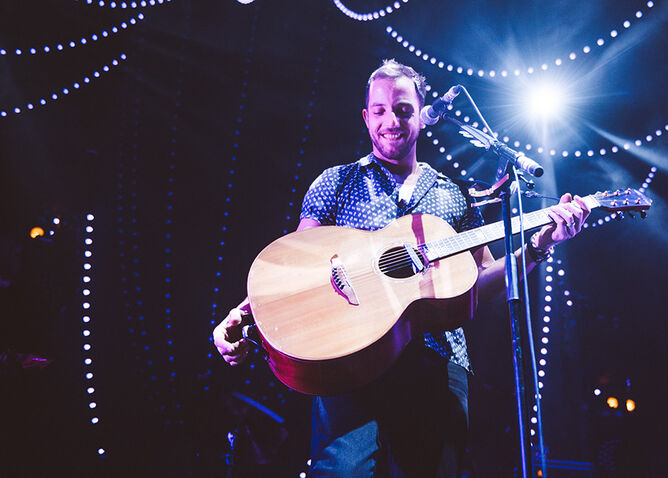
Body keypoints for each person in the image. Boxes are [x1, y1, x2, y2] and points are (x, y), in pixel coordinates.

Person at [213, 59, 590, 477]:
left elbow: (480, 282)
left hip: (437, 360)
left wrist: (538, 247)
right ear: (365, 116)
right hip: (349, 358)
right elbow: (296, 264)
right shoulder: (336, 182)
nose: (391, 120)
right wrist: (243, 314)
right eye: (380, 110)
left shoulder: (453, 195)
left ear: (422, 114)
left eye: (404, 109)